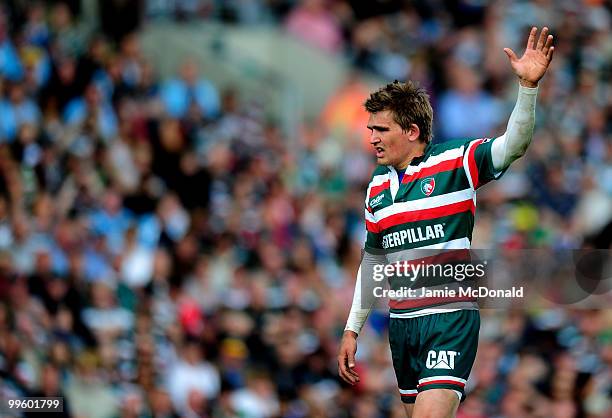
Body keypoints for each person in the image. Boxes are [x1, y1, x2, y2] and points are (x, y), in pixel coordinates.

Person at [338, 27, 555, 418]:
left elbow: (512, 146)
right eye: (370, 128)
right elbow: (373, 263)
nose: (371, 138)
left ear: (412, 131)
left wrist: (527, 88)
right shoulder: (375, 188)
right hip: (402, 325)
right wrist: (352, 328)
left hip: (450, 318)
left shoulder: (456, 161)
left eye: (381, 129)